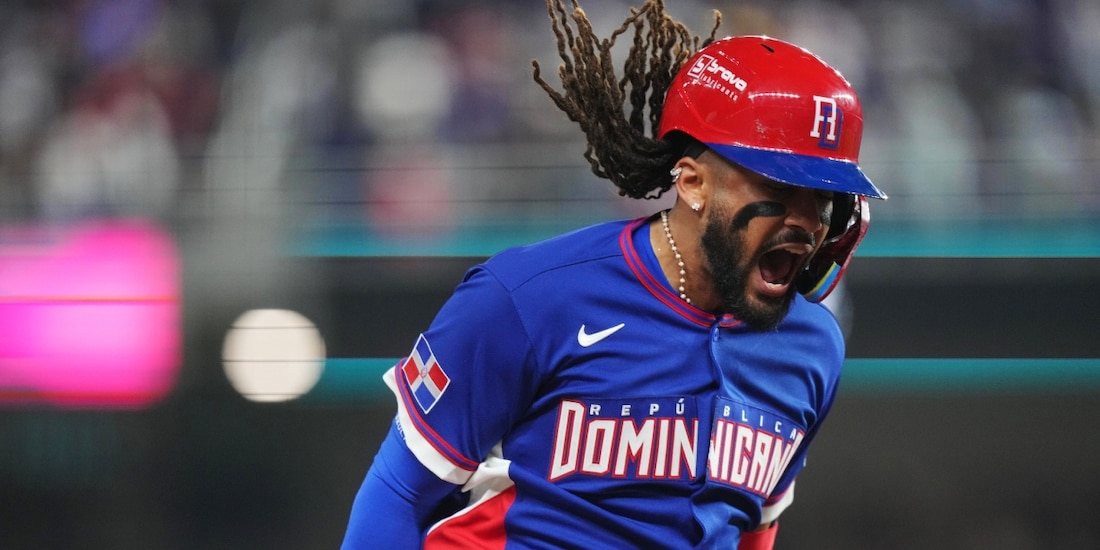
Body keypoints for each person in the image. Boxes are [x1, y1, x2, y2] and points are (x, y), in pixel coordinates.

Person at [341, 0, 887, 548]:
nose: (807, 220)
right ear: (693, 184)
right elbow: (399, 493)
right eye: (779, 189)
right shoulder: (530, 297)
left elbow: (753, 528)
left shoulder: (812, 346)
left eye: (823, 196)